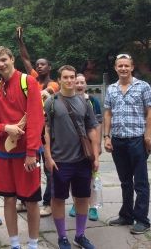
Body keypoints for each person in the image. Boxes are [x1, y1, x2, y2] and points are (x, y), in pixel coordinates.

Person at [0, 46, 45, 249]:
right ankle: (14, 244)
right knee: (8, 199)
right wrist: (7, 128)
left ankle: (33, 244)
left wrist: (31, 153)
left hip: (25, 154)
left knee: (31, 201)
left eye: (4, 60)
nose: (1, 64)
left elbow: (37, 120)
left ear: (12, 59)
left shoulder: (27, 82)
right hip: (2, 154)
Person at [43, 65, 100, 249]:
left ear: (76, 79)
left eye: (72, 77)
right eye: (65, 77)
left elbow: (92, 128)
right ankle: (62, 237)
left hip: (82, 159)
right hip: (60, 160)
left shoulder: (84, 102)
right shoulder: (51, 102)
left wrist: (96, 155)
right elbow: (46, 130)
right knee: (58, 199)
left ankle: (80, 235)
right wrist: (48, 156)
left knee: (82, 198)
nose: (69, 80)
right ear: (59, 80)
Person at [104, 53, 151, 234]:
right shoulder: (111, 89)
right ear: (116, 68)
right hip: (118, 140)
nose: (123, 68)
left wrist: (147, 137)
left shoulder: (143, 87)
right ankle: (126, 215)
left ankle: (142, 220)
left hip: (137, 140)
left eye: (126, 65)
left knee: (140, 182)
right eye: (120, 66)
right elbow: (108, 113)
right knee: (125, 181)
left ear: (132, 67)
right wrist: (106, 136)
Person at [16, 26, 59, 217]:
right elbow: (25, 59)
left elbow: (46, 93)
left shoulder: (53, 84)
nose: (39, 66)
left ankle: (48, 203)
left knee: (48, 168)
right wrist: (20, 41)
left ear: (49, 68)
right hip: (32, 130)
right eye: (38, 64)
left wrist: (36, 95)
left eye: (43, 65)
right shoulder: (33, 79)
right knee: (29, 166)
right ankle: (26, 199)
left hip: (47, 133)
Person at [68, 73, 103, 221]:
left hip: (89, 144)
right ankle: (76, 203)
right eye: (77, 82)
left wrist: (98, 144)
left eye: (82, 82)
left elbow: (98, 124)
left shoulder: (93, 101)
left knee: (92, 176)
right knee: (73, 176)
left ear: (86, 85)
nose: (80, 85)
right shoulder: (67, 100)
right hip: (72, 145)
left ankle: (93, 206)